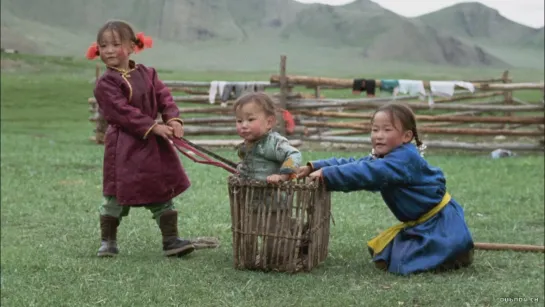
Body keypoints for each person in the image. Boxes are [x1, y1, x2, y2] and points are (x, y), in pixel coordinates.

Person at [296, 102, 474, 276]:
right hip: (421, 224)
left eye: (387, 130)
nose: (379, 136)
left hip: (439, 223)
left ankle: (455, 250)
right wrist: (316, 166)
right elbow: (357, 164)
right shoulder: (387, 156)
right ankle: (451, 250)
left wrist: (327, 174)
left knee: (403, 263)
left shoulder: (404, 159)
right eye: (375, 129)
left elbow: (367, 172)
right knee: (387, 257)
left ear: (406, 136)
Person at [88, 20, 194, 258]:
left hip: (152, 146)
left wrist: (173, 120)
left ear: (132, 47)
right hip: (122, 147)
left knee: (161, 190)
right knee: (115, 195)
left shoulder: (148, 74)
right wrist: (153, 126)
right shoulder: (105, 84)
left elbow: (165, 98)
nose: (109, 50)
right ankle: (108, 242)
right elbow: (121, 112)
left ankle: (171, 241)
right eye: (103, 45)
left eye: (116, 44)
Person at [234, 92, 303, 266]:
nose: (243, 125)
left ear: (269, 122)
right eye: (239, 121)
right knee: (249, 231)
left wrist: (283, 175)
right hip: (252, 201)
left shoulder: (273, 143)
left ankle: (282, 253)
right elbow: (248, 164)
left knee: (275, 238)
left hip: (274, 203)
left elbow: (294, 154)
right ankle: (251, 260)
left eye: (250, 120)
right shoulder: (246, 146)